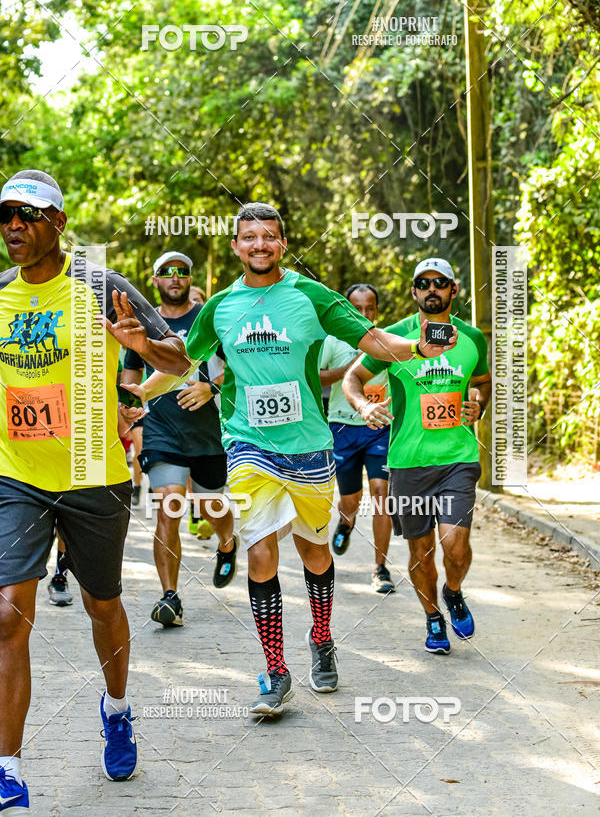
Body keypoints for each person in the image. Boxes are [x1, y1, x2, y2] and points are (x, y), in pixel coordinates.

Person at [138, 204, 457, 716]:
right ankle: (275, 670)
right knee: (261, 550)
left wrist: (416, 347)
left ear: (282, 244)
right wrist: (139, 395)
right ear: (236, 246)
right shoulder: (219, 306)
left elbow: (372, 340)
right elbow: (183, 361)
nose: (259, 245)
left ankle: (322, 637)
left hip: (308, 445)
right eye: (249, 237)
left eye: (269, 236)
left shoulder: (311, 295)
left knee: (314, 552)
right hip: (248, 444)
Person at [0, 169, 189, 810]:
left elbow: (178, 360)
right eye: (5, 216)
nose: (14, 226)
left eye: (28, 215)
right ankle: (8, 769)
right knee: (7, 614)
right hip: (17, 475)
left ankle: (116, 709)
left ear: (58, 223)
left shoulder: (100, 285)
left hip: (93, 474)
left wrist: (141, 347)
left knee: (101, 605)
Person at [343, 257, 491, 655]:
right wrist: (363, 406)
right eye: (423, 283)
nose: (432, 289)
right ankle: (432, 617)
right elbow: (352, 378)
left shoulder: (472, 338)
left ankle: (453, 591)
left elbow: (483, 382)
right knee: (420, 553)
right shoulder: (393, 338)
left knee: (455, 547)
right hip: (408, 463)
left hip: (458, 458)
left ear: (453, 290)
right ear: (413, 291)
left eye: (440, 282)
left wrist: (479, 403)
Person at [121, 251, 237, 628]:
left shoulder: (209, 317)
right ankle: (170, 596)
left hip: (207, 431)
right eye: (167, 272)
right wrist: (128, 413)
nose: (175, 277)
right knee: (169, 506)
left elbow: (239, 365)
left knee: (211, 506)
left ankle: (227, 543)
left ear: (190, 278)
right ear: (155, 279)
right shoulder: (144, 322)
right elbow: (130, 375)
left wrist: (210, 387)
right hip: (161, 429)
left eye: (182, 271)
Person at [319, 283, 394, 593]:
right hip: (342, 428)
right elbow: (315, 377)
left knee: (381, 493)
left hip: (379, 427)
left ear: (377, 311)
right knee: (350, 501)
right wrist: (349, 370)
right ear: (347, 310)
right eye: (357, 308)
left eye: (369, 308)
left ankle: (380, 568)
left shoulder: (387, 341)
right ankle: (346, 522)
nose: (364, 313)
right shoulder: (333, 340)